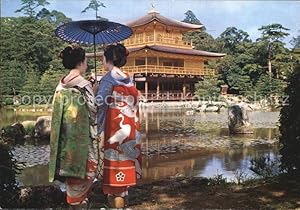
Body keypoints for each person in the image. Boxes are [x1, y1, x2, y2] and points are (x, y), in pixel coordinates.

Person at [49, 44, 101, 208]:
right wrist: (95, 90)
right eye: (85, 60)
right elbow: (93, 114)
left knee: (72, 182)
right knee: (84, 178)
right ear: (81, 62)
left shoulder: (60, 86)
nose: (86, 63)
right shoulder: (83, 85)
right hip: (83, 141)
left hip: (65, 141)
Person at [96, 43, 142, 208]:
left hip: (113, 132)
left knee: (115, 184)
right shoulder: (128, 79)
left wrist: (95, 89)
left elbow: (99, 104)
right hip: (130, 132)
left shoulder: (108, 79)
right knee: (123, 186)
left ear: (106, 59)